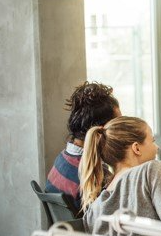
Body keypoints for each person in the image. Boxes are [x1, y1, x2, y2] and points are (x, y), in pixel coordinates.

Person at [46, 81, 120, 209]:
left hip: (65, 229)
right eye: (117, 124)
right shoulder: (95, 176)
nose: (121, 129)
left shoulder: (63, 159)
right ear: (100, 131)